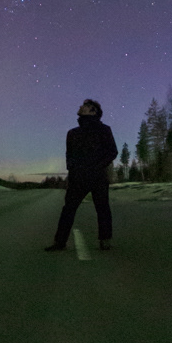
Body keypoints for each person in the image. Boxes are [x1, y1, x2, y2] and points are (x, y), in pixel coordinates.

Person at [45, 99, 118, 252]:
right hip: (78, 178)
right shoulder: (72, 133)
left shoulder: (104, 130)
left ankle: (105, 240)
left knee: (102, 208)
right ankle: (60, 242)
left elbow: (112, 151)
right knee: (68, 209)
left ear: (93, 111)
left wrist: (97, 166)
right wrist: (72, 171)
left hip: (98, 177)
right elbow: (69, 155)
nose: (80, 107)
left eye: (85, 106)